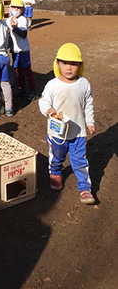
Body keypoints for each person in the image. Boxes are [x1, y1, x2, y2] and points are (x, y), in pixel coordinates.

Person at [38, 43, 96, 205]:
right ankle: (55, 173)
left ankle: (85, 188)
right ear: (57, 64)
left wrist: (89, 121)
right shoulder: (52, 85)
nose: (69, 68)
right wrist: (48, 110)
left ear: (80, 65)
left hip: (78, 133)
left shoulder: (84, 84)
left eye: (73, 64)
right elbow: (43, 101)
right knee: (56, 156)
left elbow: (88, 104)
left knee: (80, 161)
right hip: (57, 132)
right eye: (64, 63)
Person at [6, 0, 38, 101]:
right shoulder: (7, 20)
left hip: (23, 50)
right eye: (13, 7)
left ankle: (33, 90)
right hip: (14, 50)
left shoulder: (22, 20)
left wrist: (15, 28)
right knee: (17, 69)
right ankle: (22, 88)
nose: (15, 10)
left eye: (18, 8)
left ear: (23, 10)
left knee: (26, 70)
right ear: (10, 8)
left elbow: (23, 34)